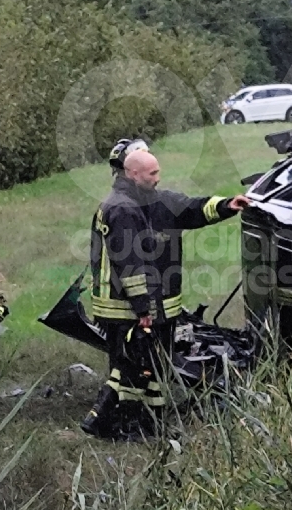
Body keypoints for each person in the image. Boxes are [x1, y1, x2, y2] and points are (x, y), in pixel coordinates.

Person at [80, 138, 251, 440]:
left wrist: (227, 205)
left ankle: (145, 423)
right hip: (126, 308)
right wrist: (143, 308)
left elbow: (194, 208)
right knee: (131, 369)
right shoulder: (120, 208)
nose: (158, 178)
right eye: (152, 173)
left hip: (157, 307)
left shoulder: (157, 201)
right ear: (132, 174)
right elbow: (130, 264)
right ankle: (119, 424)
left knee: (151, 369)